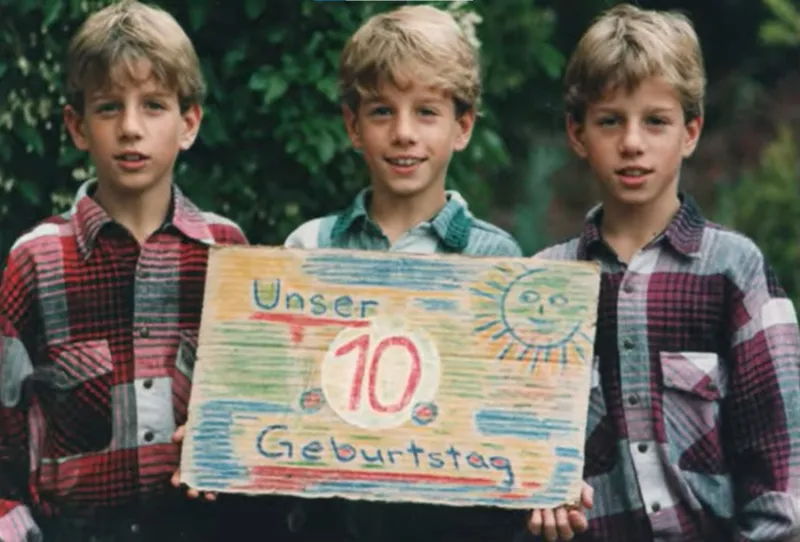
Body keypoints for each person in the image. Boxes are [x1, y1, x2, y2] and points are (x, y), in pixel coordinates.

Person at [527, 4, 800, 541]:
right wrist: (533, 501)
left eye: (656, 121)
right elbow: (513, 454)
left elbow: (781, 463)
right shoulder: (543, 284)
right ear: (577, 134)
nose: (632, 142)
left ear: (690, 131)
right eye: (610, 120)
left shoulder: (733, 270)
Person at [0, 1, 248, 540]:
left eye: (154, 106)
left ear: (189, 124)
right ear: (78, 126)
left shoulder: (227, 253)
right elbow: (4, 430)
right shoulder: (36, 260)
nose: (131, 128)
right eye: (109, 107)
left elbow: (254, 411)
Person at [279, 5, 524, 541]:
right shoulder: (309, 249)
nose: (404, 133)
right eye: (382, 112)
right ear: (353, 126)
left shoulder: (496, 261)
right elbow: (277, 398)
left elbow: (513, 415)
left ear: (463, 127)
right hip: (331, 523)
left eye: (427, 113)